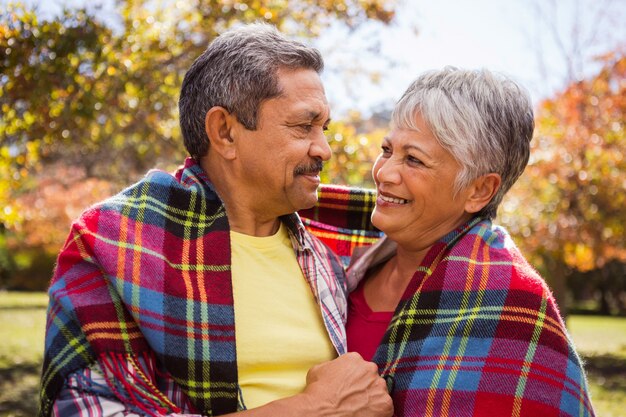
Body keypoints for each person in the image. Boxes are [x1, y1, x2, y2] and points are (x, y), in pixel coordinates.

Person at [38, 23, 393, 417]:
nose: (324, 149)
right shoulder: (115, 245)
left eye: (323, 129)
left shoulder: (326, 254)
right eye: (302, 126)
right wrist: (316, 408)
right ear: (225, 132)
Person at [304, 68, 595, 416]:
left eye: (414, 159)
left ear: (478, 190)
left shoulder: (512, 303)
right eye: (387, 149)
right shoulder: (331, 257)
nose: (383, 173)